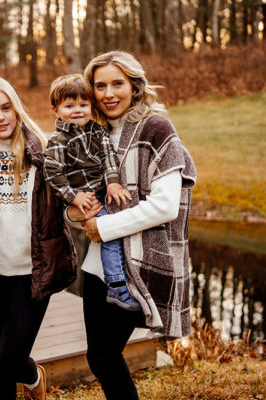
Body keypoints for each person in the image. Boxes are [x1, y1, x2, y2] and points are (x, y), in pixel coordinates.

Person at [65, 51, 196, 399]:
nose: (109, 93)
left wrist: (104, 228)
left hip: (135, 264)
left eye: (117, 84)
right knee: (99, 356)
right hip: (96, 266)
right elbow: (80, 200)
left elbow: (165, 206)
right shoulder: (95, 133)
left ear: (134, 87)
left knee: (105, 355)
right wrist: (77, 213)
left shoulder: (155, 128)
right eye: (100, 85)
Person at [0, 76, 76, 400]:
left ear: (16, 108)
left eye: (5, 108)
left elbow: (79, 183)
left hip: (32, 272)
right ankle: (30, 376)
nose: (0, 117)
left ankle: (31, 375)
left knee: (8, 357)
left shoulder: (45, 150)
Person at [43, 73, 138, 310]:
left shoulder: (98, 132)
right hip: (83, 199)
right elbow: (53, 174)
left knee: (120, 225)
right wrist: (73, 197)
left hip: (105, 192)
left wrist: (114, 182)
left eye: (83, 105)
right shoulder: (58, 140)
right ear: (56, 110)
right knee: (109, 232)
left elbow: (108, 157)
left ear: (91, 106)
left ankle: (126, 278)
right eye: (69, 105)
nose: (78, 110)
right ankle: (116, 285)